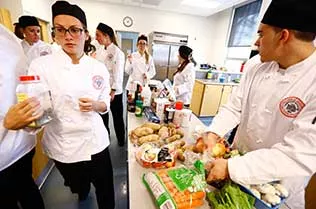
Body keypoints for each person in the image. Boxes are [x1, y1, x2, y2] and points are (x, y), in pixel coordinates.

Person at [205, 0, 316, 208]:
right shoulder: (256, 65)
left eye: (261, 34)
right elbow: (234, 106)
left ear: (283, 36)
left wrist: (232, 167)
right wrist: (213, 132)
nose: (256, 42)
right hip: (232, 172)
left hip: (276, 192)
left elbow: (296, 155)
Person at [28, 1, 115, 208]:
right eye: (60, 30)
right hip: (62, 145)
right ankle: (81, 189)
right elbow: (35, 110)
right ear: (54, 33)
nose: (68, 36)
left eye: (74, 30)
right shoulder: (41, 66)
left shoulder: (98, 68)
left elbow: (105, 104)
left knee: (106, 191)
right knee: (77, 185)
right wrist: (33, 117)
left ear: (85, 34)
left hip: (96, 142)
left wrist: (96, 105)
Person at [0, 24, 45, 209]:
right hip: (7, 150)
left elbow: (26, 86)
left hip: (21, 145)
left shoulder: (9, 38)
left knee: (27, 190)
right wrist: (5, 124)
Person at [95, 23, 126, 146]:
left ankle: (121, 140)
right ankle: (105, 139)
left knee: (117, 118)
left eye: (98, 35)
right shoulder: (101, 51)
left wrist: (113, 91)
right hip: (102, 91)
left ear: (106, 35)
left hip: (114, 92)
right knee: (103, 118)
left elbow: (118, 74)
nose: (96, 38)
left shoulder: (117, 52)